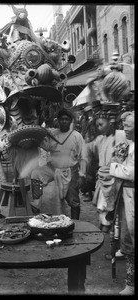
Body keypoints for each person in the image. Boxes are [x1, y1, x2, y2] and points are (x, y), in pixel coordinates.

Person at [31, 108, 88, 220]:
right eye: (61, 119)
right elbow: (44, 142)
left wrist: (82, 174)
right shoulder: (52, 133)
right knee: (36, 173)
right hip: (52, 169)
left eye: (66, 119)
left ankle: (76, 223)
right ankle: (36, 203)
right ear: (58, 120)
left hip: (70, 171)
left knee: (73, 200)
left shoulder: (77, 136)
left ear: (70, 121)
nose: (64, 121)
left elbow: (83, 157)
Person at [86, 103, 127, 232]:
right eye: (97, 125)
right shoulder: (101, 138)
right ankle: (105, 226)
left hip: (113, 176)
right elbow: (89, 147)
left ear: (111, 123)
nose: (99, 128)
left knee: (109, 205)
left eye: (101, 125)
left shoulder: (119, 136)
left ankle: (108, 227)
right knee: (102, 205)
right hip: (102, 176)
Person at [109, 111, 134, 295]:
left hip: (132, 193)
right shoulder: (129, 144)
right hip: (126, 194)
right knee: (126, 234)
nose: (125, 129)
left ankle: (131, 285)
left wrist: (113, 167)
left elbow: (131, 173)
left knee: (132, 237)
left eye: (129, 126)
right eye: (124, 126)